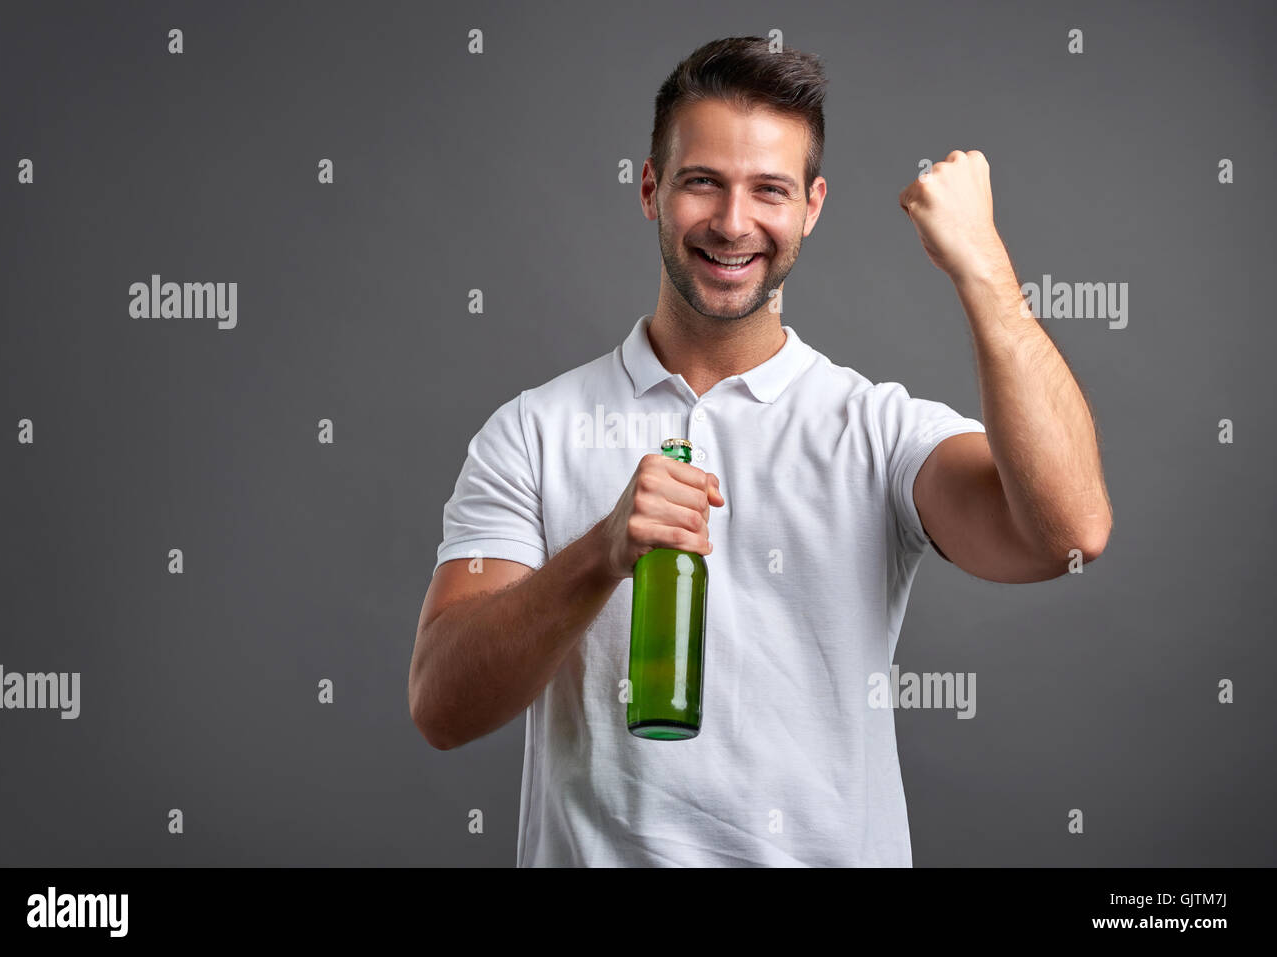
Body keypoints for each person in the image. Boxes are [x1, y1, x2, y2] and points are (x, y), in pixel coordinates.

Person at [408, 36, 1112, 866]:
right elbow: (442, 705)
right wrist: (598, 556)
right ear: (649, 189)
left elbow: (1070, 533)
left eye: (768, 190)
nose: (733, 223)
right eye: (702, 181)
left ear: (812, 206)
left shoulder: (877, 431)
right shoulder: (531, 431)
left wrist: (984, 268)